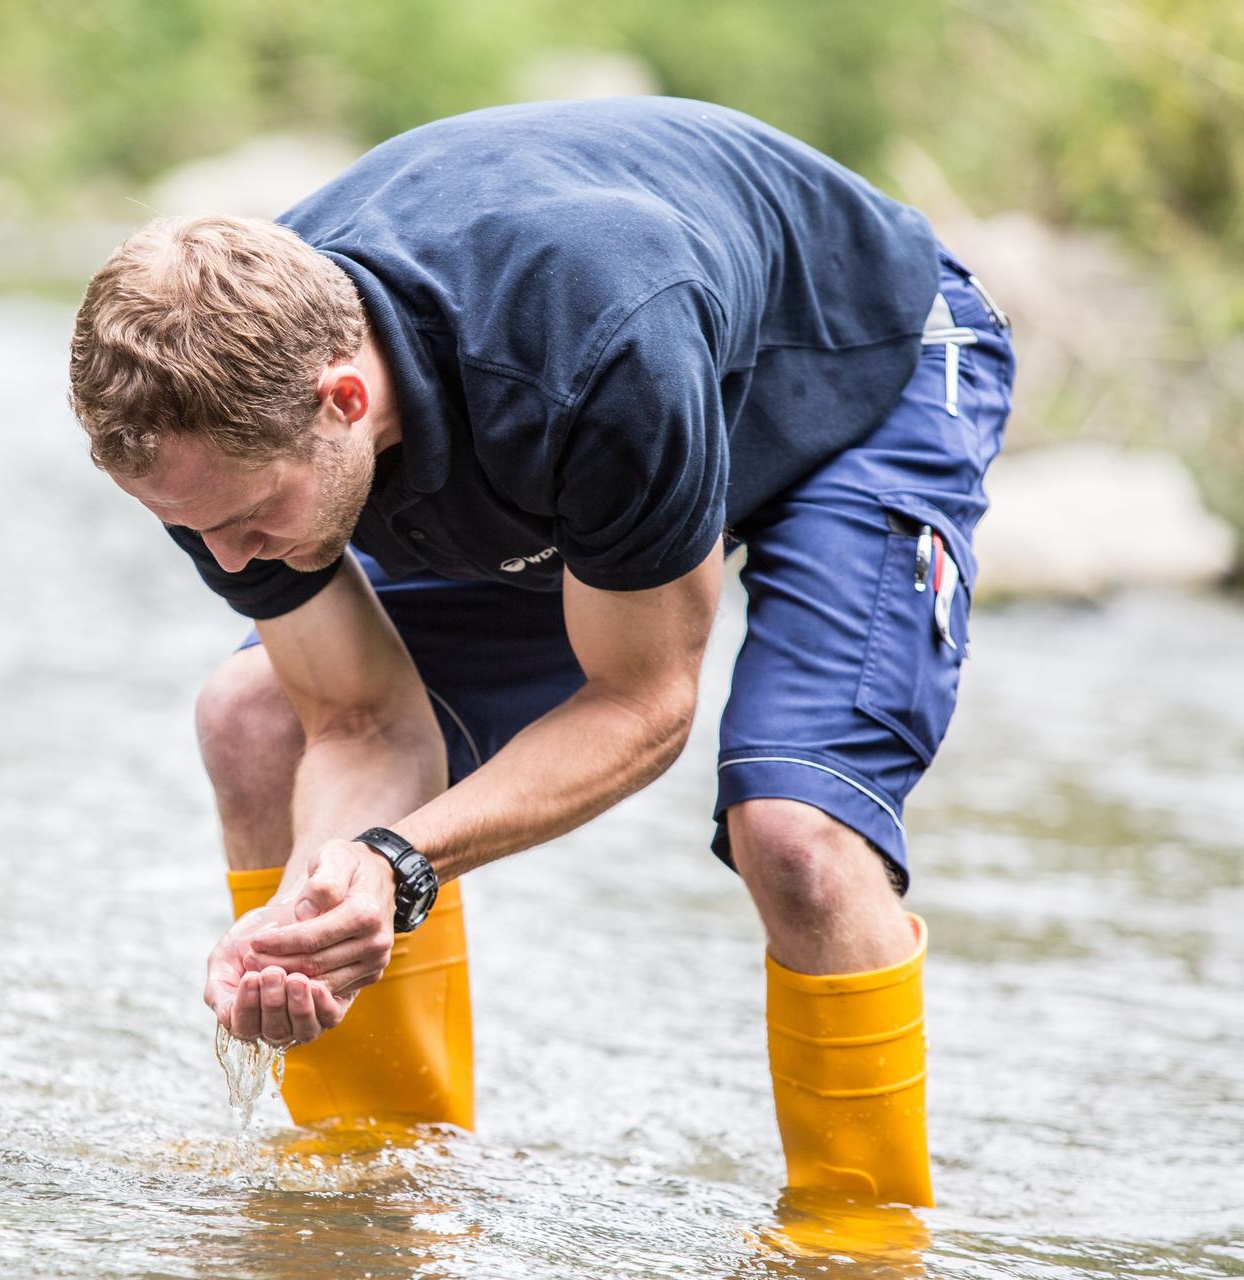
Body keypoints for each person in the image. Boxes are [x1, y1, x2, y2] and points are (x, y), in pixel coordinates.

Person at [67, 96, 1013, 1208]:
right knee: (257, 721)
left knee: (797, 833)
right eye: (185, 526)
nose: (226, 555)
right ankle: (376, 1195)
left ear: (343, 399)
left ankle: (862, 1235)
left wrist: (404, 863)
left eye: (246, 517)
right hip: (590, 431)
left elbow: (644, 701)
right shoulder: (223, 409)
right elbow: (357, 721)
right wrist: (316, 916)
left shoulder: (596, 352)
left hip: (864, 365)